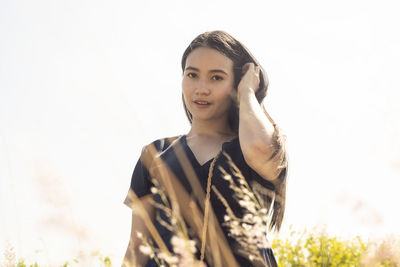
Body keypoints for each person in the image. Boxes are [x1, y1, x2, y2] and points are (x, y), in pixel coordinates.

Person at [123, 31, 287, 267]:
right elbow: (136, 249)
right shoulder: (155, 153)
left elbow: (260, 149)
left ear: (237, 82)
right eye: (192, 75)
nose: (201, 88)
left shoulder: (255, 146)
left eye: (216, 78)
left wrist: (248, 92)